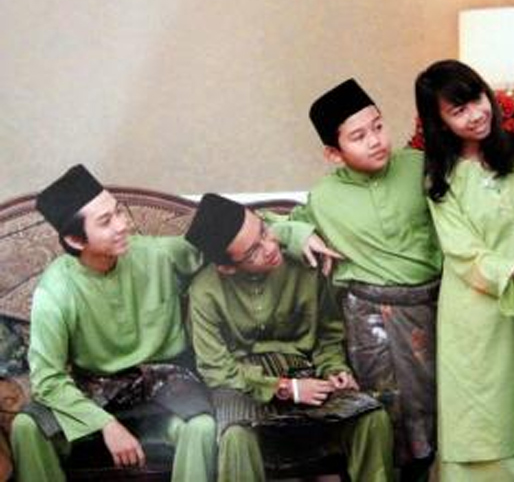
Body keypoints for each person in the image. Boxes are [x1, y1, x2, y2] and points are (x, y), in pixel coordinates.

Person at [10, 164, 217, 482]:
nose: (123, 225)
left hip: (164, 382)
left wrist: (290, 233)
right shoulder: (55, 290)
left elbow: (229, 234)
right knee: (26, 427)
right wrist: (105, 424)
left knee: (202, 426)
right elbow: (47, 379)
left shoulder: (155, 254)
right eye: (106, 221)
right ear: (76, 240)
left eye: (119, 211)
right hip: (95, 389)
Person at [414, 60, 514, 481]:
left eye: (476, 99)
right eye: (458, 110)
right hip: (472, 313)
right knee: (476, 418)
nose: (475, 114)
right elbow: (460, 250)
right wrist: (513, 269)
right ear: (440, 122)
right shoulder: (440, 178)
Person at [185, 193, 394, 482]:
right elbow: (215, 368)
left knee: (371, 417)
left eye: (264, 231)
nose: (270, 247)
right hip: (242, 384)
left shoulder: (305, 263)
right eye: (253, 252)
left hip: (306, 371)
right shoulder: (204, 291)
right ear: (227, 267)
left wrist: (335, 369)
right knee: (236, 436)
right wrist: (286, 388)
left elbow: (328, 334)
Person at [291, 78, 441, 481]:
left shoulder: (419, 165)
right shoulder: (324, 197)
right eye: (358, 137)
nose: (375, 140)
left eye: (378, 126)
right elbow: (274, 226)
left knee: (436, 409)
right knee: (383, 412)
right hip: (370, 320)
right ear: (333, 153)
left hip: (435, 309)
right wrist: (299, 233)